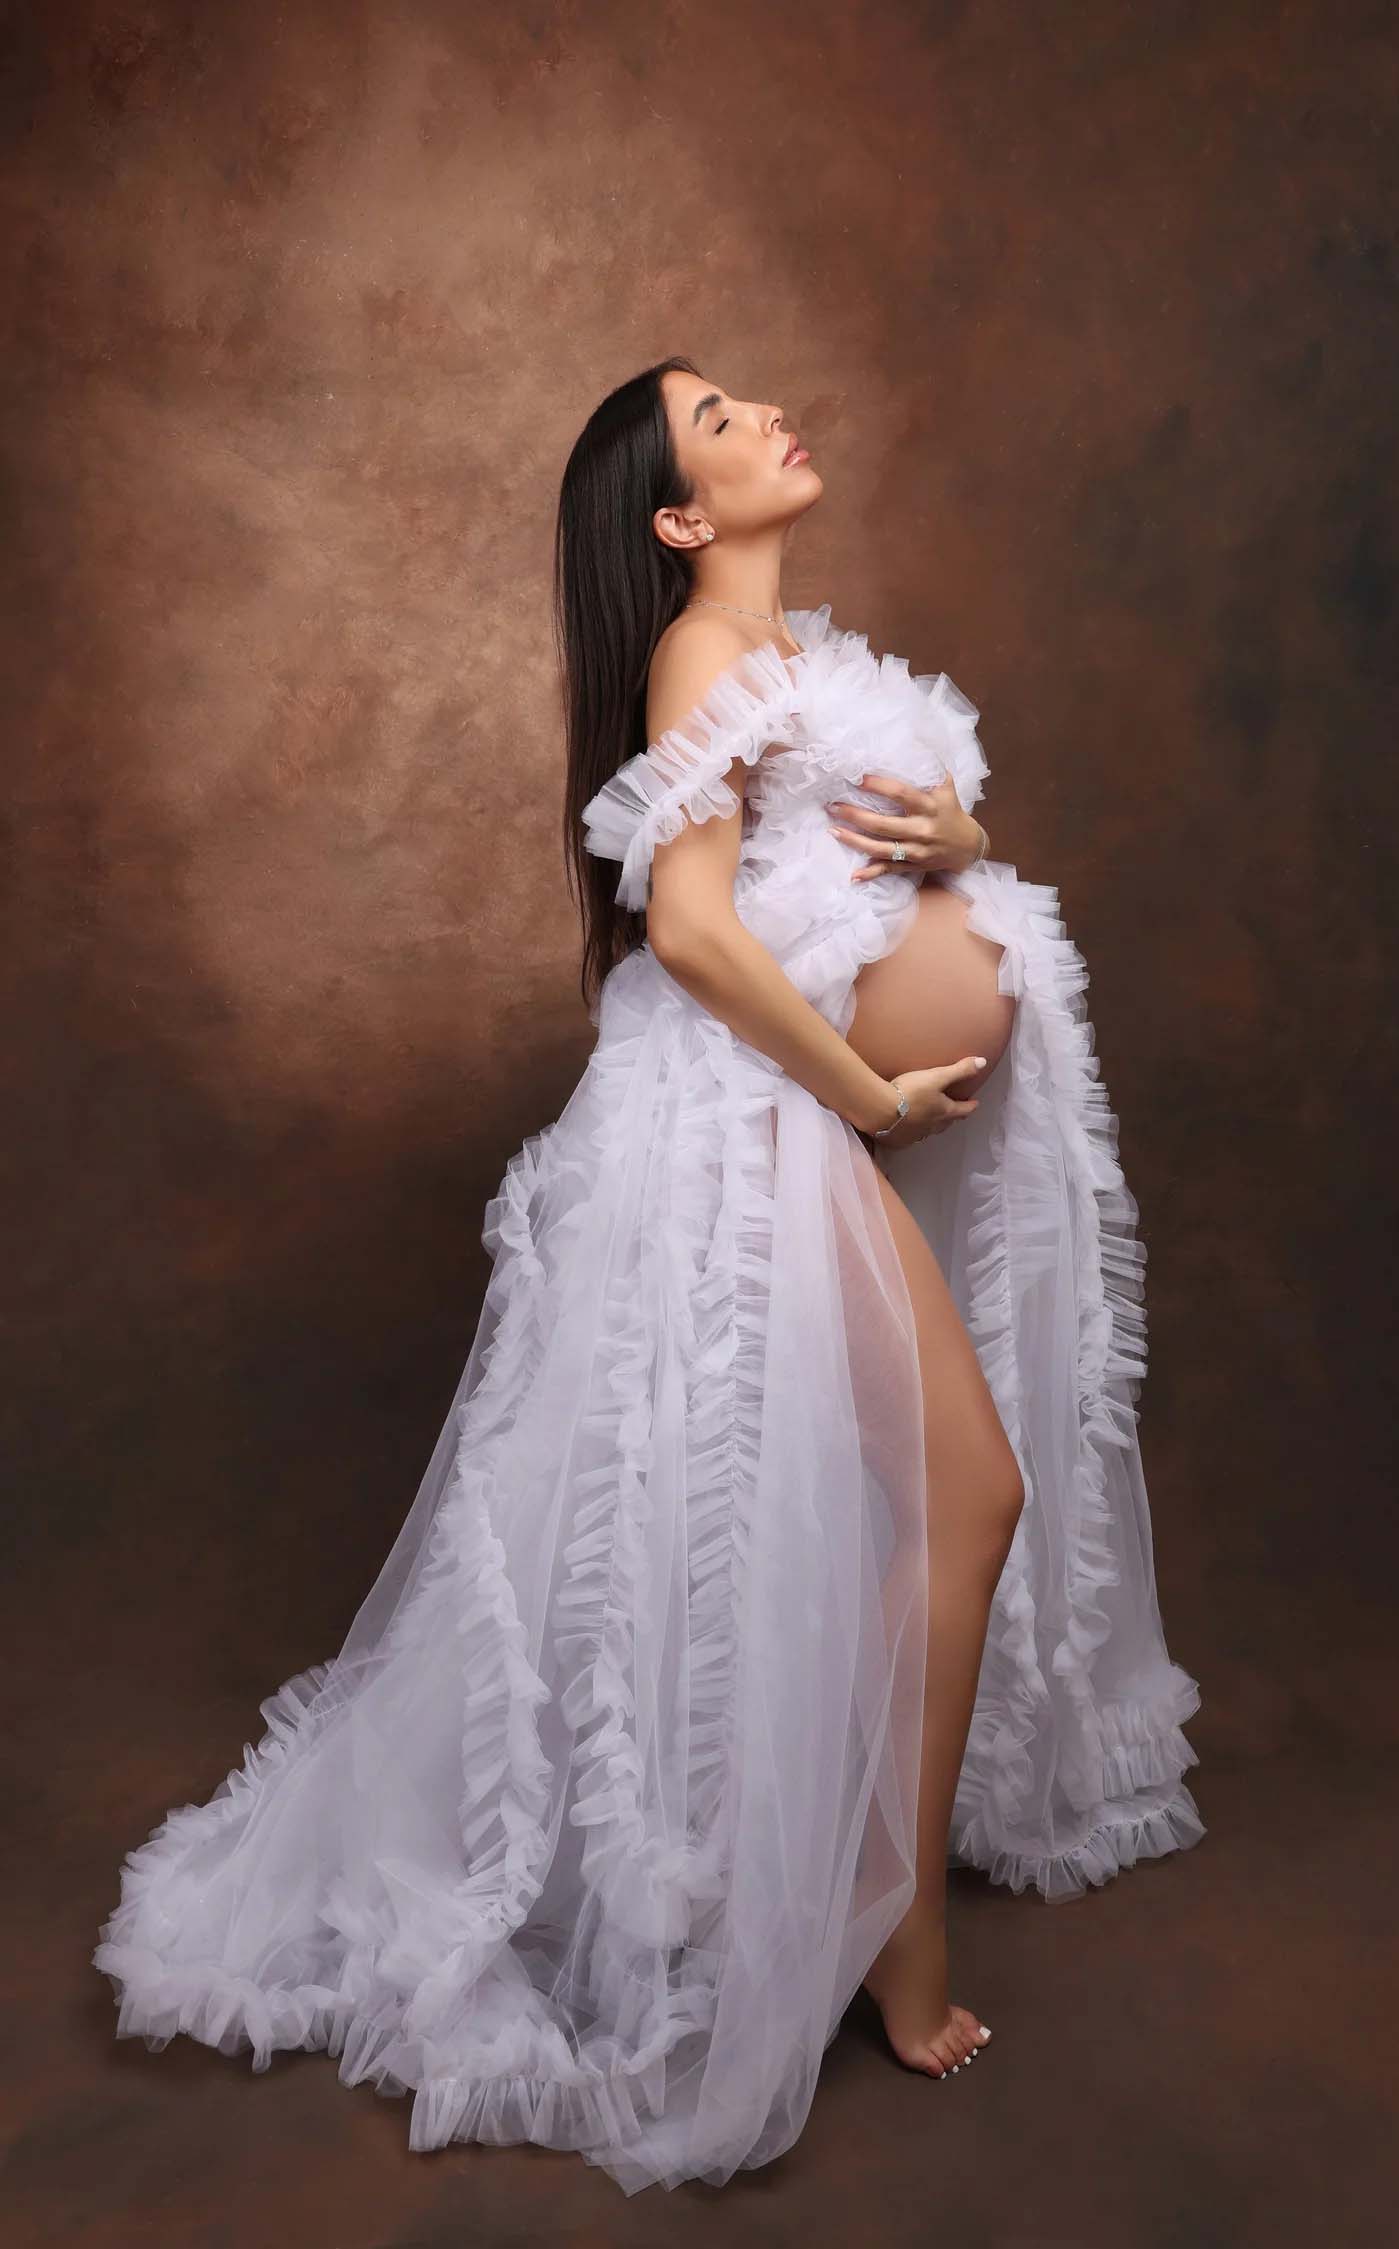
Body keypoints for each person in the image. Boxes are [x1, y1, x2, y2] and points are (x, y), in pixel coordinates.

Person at [92, 358, 1205, 2198]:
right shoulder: (701, 653)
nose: (767, 417)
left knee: (938, 1501)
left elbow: (838, 880)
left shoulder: (790, 655)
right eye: (720, 423)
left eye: (744, 397)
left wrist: (967, 850)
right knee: (963, 1494)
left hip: (786, 1126)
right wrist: (862, 1093)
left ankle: (877, 1885)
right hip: (747, 1135)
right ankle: (893, 1920)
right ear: (682, 519)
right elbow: (687, 926)